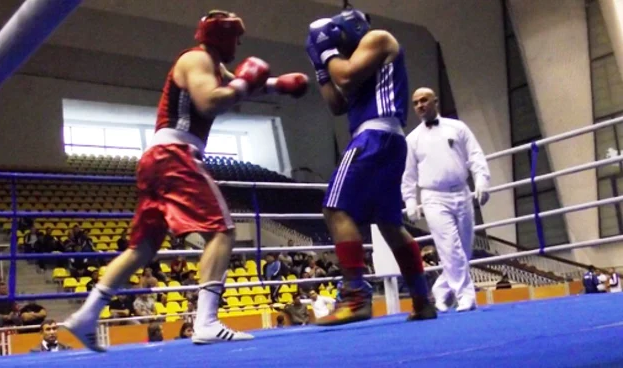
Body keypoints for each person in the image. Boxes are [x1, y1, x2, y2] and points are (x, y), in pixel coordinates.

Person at [64, 10, 308, 349]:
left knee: (143, 248)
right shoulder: (196, 60)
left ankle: (86, 316)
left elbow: (237, 87)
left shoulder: (209, 63)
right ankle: (206, 322)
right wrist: (243, 82)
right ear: (224, 36)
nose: (238, 44)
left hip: (158, 158)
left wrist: (279, 86)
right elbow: (210, 102)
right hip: (176, 155)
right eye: (236, 37)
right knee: (221, 231)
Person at [305, 8, 436, 325]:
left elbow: (345, 77)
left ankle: (355, 296)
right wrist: (320, 65)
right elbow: (337, 104)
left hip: (373, 136)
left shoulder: (378, 38)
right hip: (385, 139)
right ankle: (422, 300)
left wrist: (327, 52)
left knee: (335, 209)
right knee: (390, 223)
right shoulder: (359, 67)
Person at [401, 87, 490, 312]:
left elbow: (475, 155)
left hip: (461, 191)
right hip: (433, 197)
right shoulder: (412, 139)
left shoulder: (458, 128)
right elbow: (408, 174)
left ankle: (441, 290)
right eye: (416, 103)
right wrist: (410, 200)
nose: (420, 105)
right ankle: (465, 296)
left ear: (435, 102)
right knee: (450, 247)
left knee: (464, 249)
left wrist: (482, 180)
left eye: (424, 100)